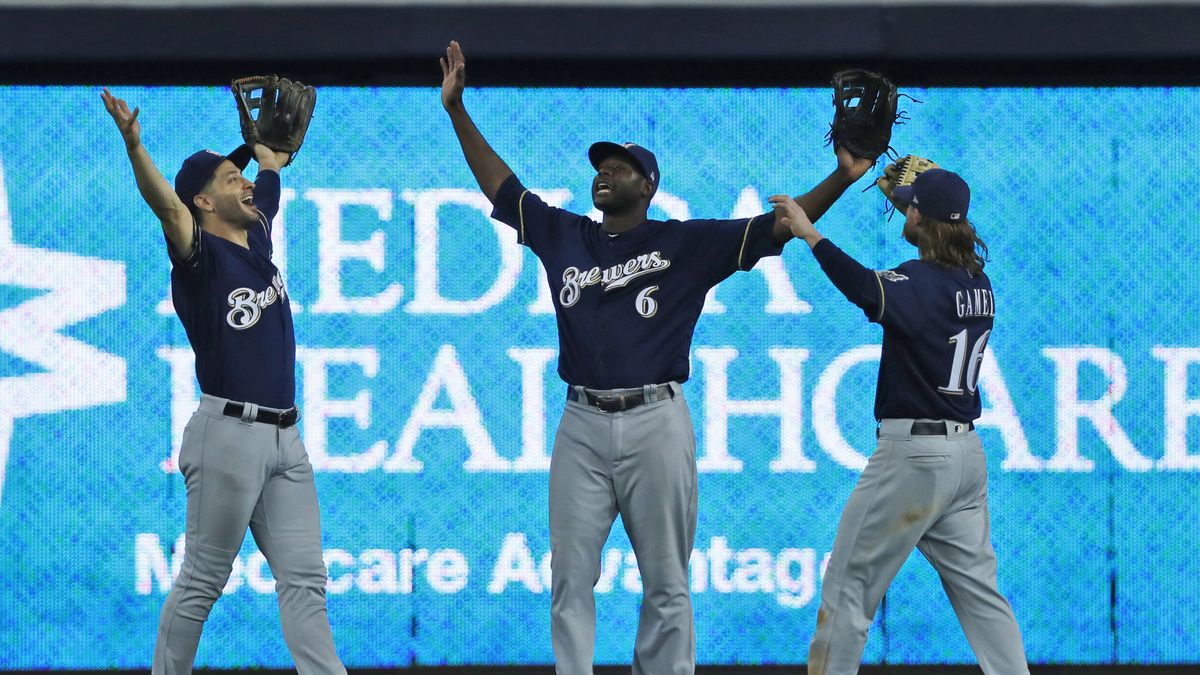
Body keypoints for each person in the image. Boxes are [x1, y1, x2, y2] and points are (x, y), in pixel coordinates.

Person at [439, 41, 872, 675]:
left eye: (619, 165)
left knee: (667, 583)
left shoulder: (684, 244)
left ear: (648, 185)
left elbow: (779, 227)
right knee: (569, 582)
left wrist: (843, 176)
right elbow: (503, 190)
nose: (604, 171)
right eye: (600, 164)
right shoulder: (567, 234)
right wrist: (457, 111)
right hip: (581, 424)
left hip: (656, 421)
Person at [101, 88, 346, 675]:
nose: (246, 186)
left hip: (287, 441)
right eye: (232, 178)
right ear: (204, 202)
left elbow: (268, 190)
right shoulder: (199, 254)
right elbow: (166, 206)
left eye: (244, 178)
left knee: (306, 582)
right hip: (227, 434)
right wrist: (135, 146)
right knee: (203, 580)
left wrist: (267, 163)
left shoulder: (255, 237)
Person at [769, 168, 1028, 675]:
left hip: (915, 457)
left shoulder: (921, 283)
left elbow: (866, 288)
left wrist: (809, 232)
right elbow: (937, 227)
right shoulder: (978, 280)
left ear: (922, 218)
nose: (903, 209)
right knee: (981, 597)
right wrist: (919, 199)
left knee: (847, 590)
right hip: (965, 458)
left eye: (910, 206)